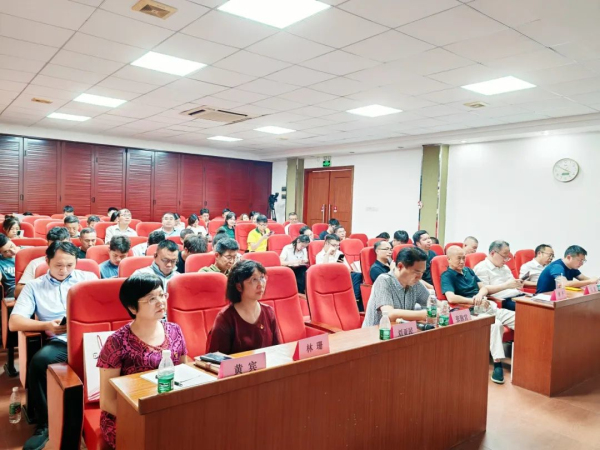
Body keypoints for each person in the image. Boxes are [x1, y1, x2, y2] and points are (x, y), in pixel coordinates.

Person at [9, 241, 98, 450]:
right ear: (47, 261)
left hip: (93, 337)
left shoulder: (89, 279)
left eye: (70, 265)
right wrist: (46, 325)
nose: (64, 270)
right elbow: (14, 322)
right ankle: (46, 424)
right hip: (62, 341)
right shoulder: (34, 286)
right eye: (58, 265)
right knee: (40, 362)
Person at [97, 273, 188, 449]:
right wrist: (149, 417)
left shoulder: (175, 330)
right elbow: (107, 401)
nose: (160, 302)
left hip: (168, 408)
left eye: (162, 295)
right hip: (129, 415)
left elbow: (185, 372)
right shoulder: (116, 342)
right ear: (132, 308)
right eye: (151, 299)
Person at [442, 246, 516, 385]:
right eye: (458, 258)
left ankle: (528, 359)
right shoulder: (447, 275)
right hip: (470, 311)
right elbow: (451, 298)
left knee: (521, 319)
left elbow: (483, 288)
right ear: (449, 259)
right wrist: (474, 301)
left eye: (464, 258)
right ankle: (497, 363)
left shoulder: (468, 271)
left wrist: (480, 296)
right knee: (495, 325)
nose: (462, 261)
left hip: (488, 306)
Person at [207, 260, 281, 354]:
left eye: (262, 278)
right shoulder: (225, 318)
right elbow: (216, 359)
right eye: (254, 280)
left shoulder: (269, 312)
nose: (261, 285)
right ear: (239, 286)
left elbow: (278, 350)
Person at [362, 247, 430, 327]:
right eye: (417, 272)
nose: (420, 277)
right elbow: (389, 314)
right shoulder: (384, 280)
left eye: (422, 272)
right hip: (377, 332)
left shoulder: (415, 283)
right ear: (400, 266)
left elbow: (432, 302)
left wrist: (441, 307)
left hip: (401, 330)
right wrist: (425, 314)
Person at [15, 227, 71, 298]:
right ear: (48, 245)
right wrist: (43, 284)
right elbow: (17, 292)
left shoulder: (79, 263)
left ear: (70, 243)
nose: (58, 250)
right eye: (54, 246)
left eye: (63, 245)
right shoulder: (36, 264)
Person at [316, 234, 363, 310]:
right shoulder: (320, 255)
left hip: (340, 276)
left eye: (337, 246)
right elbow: (323, 271)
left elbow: (348, 269)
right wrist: (327, 254)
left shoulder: (339, 253)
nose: (335, 248)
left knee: (358, 275)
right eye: (333, 245)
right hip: (328, 278)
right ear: (326, 243)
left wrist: (340, 266)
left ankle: (355, 300)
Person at [473, 240, 524, 311]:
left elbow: (512, 283)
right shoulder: (481, 268)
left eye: (507, 257)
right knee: (530, 309)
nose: (505, 260)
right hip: (503, 300)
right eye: (504, 256)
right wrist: (506, 286)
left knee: (536, 303)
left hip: (517, 296)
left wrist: (517, 284)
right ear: (492, 253)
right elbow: (483, 289)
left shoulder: (505, 267)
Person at [0, 234, 19, 298]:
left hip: (29, 283)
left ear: (10, 240)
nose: (12, 251)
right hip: (13, 288)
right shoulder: (1, 261)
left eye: (11, 246)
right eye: (6, 251)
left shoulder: (27, 251)